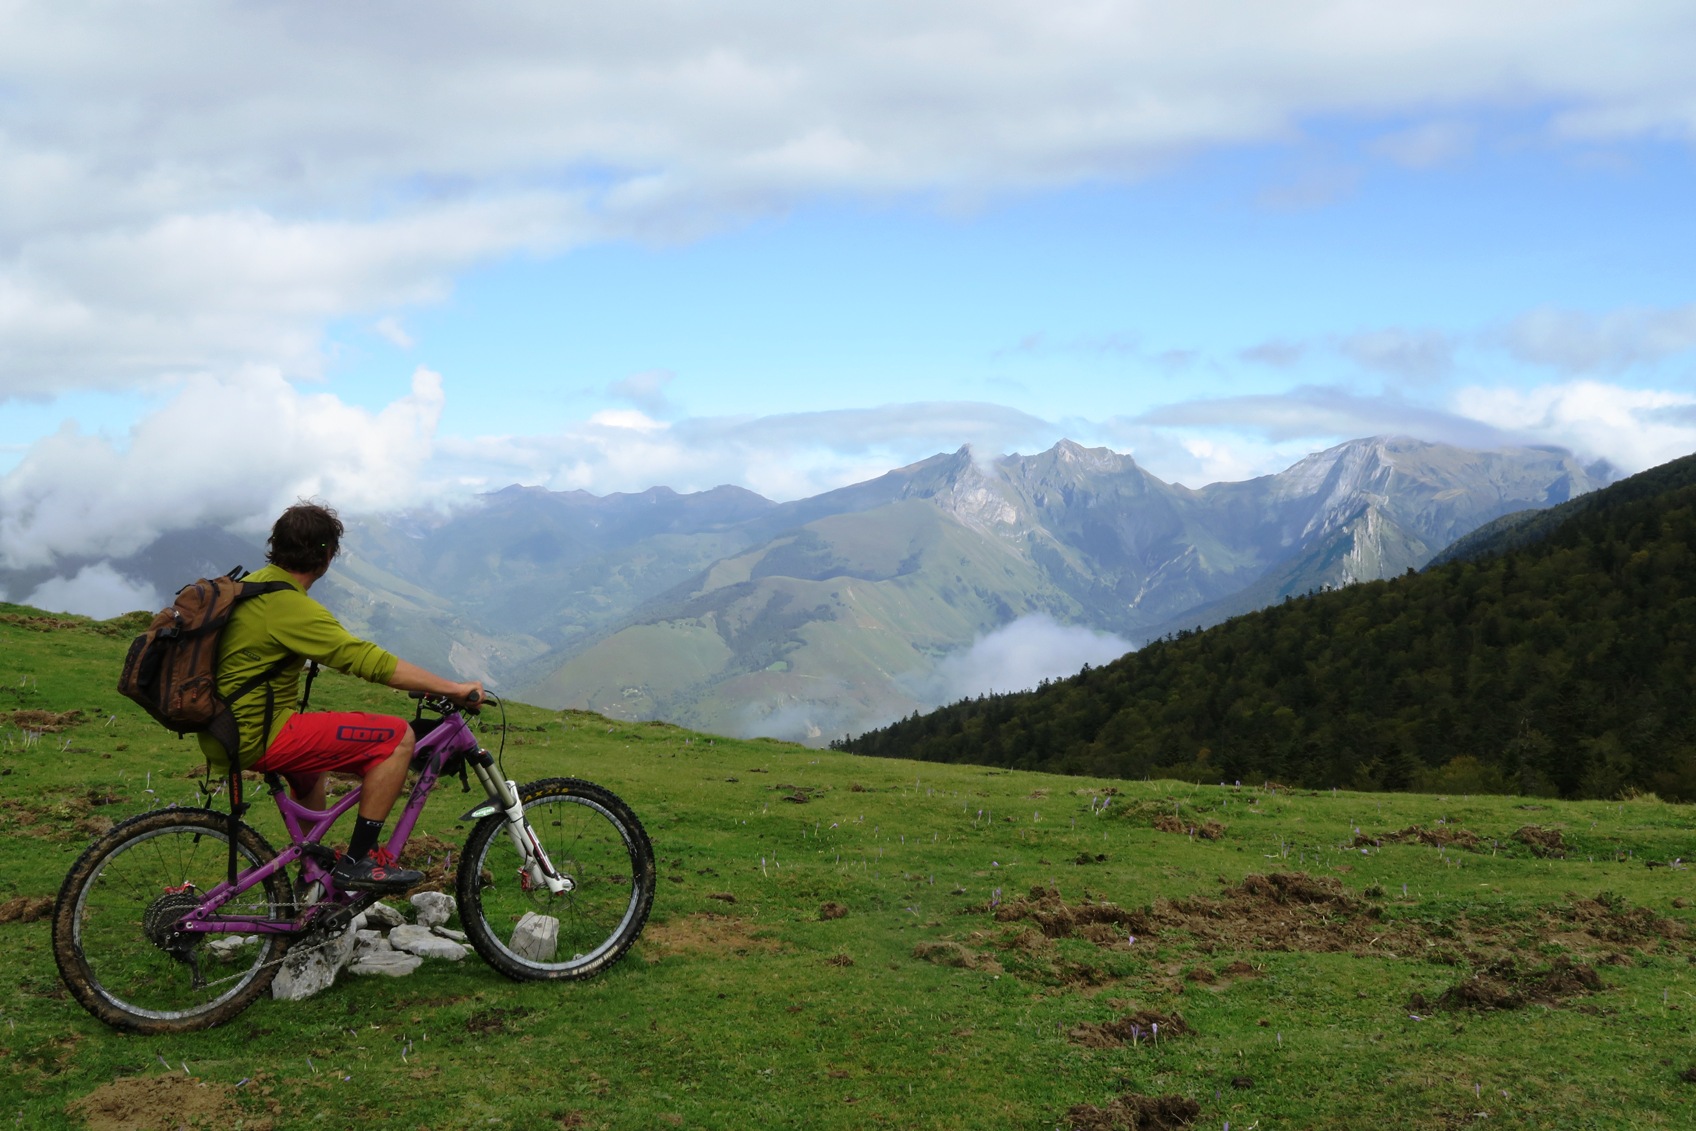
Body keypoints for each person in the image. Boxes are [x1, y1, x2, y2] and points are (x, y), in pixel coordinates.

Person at [201, 501, 484, 892]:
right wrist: (453, 688)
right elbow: (365, 660)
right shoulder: (289, 606)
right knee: (397, 737)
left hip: (226, 729)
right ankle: (359, 861)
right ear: (327, 556)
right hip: (256, 734)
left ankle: (310, 873)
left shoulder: (256, 585)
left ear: (276, 546)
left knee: (309, 772)